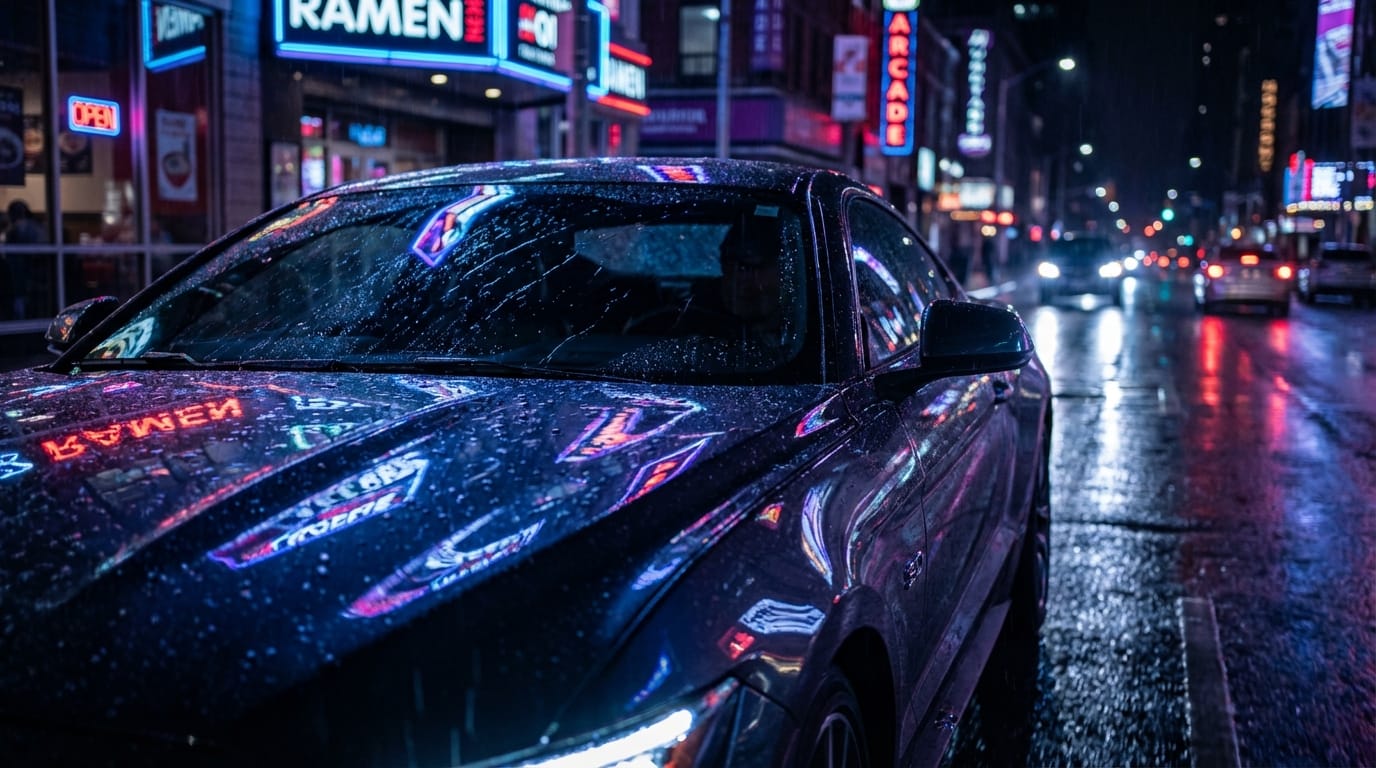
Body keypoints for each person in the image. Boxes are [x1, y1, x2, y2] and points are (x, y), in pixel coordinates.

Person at [3, 199, 45, 319]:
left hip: (23, 271)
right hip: (29, 271)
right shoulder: (36, 227)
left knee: (20, 296)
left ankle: (21, 317)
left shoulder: (18, 228)